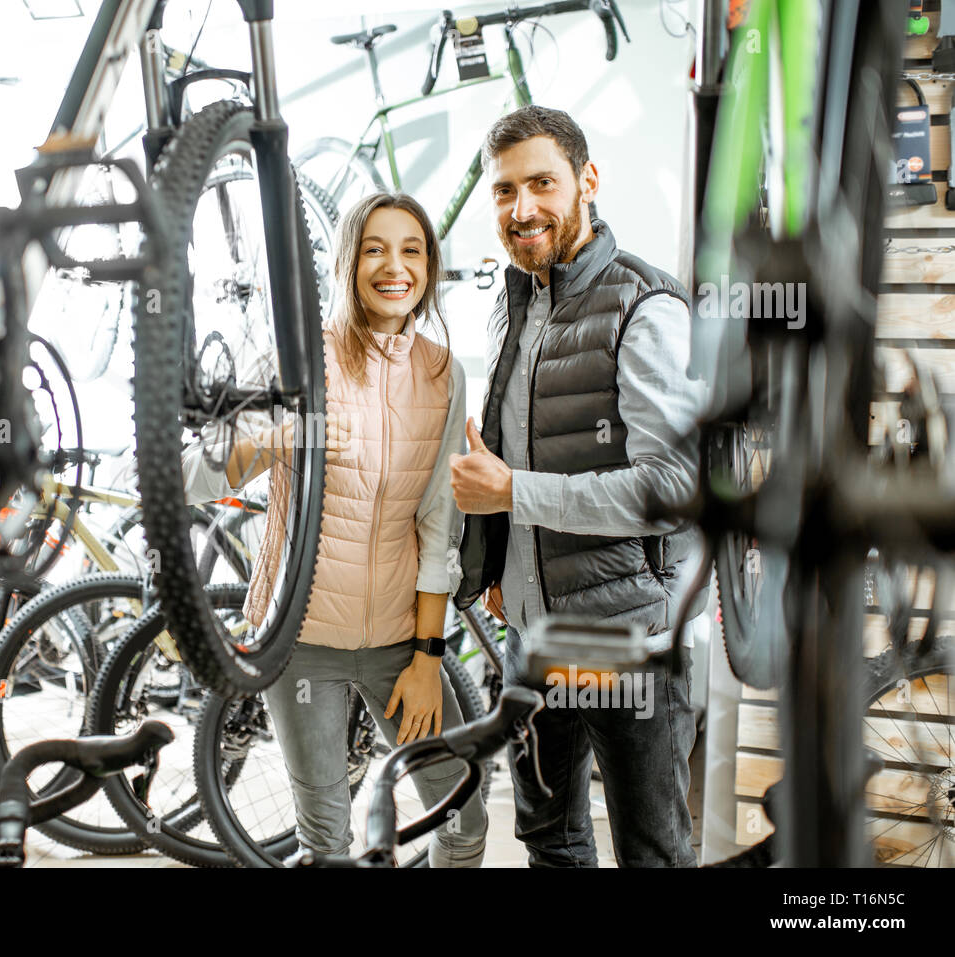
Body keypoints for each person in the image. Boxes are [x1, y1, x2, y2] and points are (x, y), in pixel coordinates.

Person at [184, 192, 486, 866]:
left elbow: (439, 522)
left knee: (462, 813)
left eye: (411, 249)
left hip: (399, 639)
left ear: (429, 266)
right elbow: (193, 474)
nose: (394, 266)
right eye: (375, 248)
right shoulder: (299, 361)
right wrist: (270, 434)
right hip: (302, 639)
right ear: (350, 260)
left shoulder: (443, 373)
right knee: (328, 839)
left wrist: (428, 656)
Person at [449, 105, 709, 867]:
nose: (522, 208)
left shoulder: (644, 304)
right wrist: (502, 567)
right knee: (550, 837)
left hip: (629, 639)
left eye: (541, 184)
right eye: (503, 191)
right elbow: (516, 447)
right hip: (532, 637)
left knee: (651, 849)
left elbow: (673, 485)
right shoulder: (512, 303)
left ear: (587, 181)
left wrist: (512, 496)